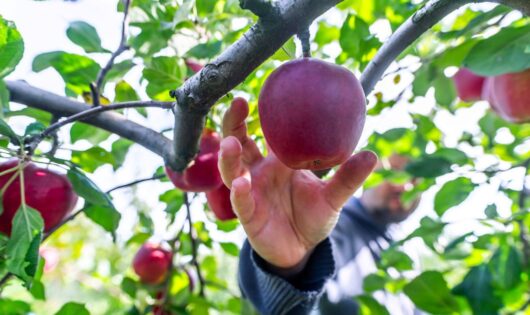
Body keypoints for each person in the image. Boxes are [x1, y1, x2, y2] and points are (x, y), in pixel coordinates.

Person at [218, 98, 421, 315]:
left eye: (418, 179)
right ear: (375, 167)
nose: (405, 185)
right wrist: (288, 270)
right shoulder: (329, 228)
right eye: (397, 171)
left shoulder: (407, 251)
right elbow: (288, 307)